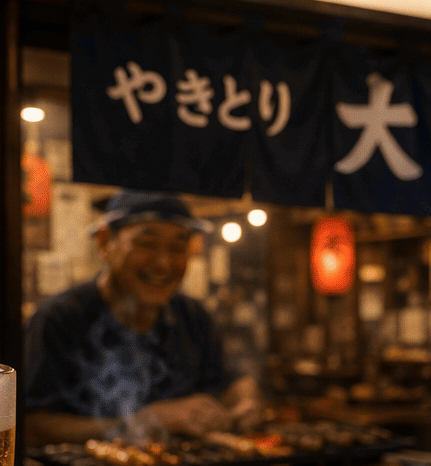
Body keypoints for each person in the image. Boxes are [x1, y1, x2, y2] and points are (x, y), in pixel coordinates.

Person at [23, 189, 263, 447]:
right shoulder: (60, 319)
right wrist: (147, 421)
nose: (163, 263)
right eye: (146, 244)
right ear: (104, 242)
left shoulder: (193, 317)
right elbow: (32, 428)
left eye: (178, 247)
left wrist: (246, 401)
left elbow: (229, 382)